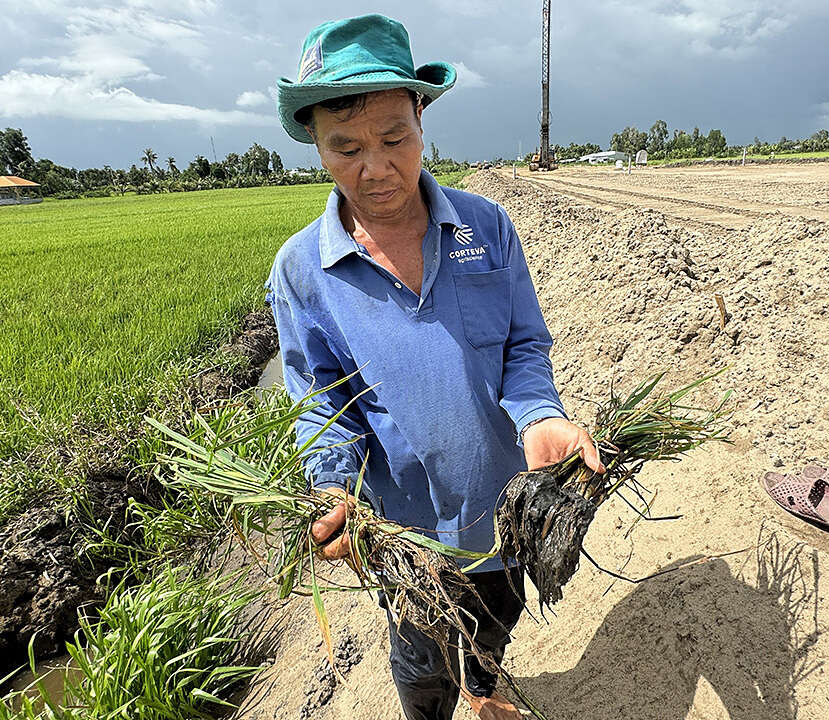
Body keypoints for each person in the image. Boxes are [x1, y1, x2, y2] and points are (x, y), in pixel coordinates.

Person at [266, 14, 604, 720]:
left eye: (395, 139)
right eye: (346, 147)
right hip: (409, 536)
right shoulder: (303, 272)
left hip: (511, 505)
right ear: (316, 147)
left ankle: (483, 691)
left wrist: (541, 415)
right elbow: (324, 409)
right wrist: (334, 490)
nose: (376, 167)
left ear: (422, 118)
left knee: (495, 622)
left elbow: (522, 347)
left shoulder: (487, 229)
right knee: (420, 654)